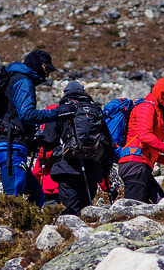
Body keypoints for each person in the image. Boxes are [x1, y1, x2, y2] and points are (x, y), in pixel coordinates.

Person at [0, 50, 73, 207]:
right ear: (37, 64)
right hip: (10, 144)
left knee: (36, 195)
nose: (47, 75)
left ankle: (27, 228)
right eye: (46, 69)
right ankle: (9, 228)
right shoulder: (23, 81)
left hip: (5, 141)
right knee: (13, 197)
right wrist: (58, 113)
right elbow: (27, 115)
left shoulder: (11, 78)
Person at [46, 81, 116, 214]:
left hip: (67, 169)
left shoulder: (62, 110)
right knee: (86, 211)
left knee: (69, 212)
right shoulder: (95, 111)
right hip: (92, 169)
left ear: (65, 93)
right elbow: (108, 146)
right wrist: (104, 174)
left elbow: (48, 140)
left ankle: (70, 233)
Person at [117, 78, 164, 203]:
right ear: (163, 95)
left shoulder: (155, 109)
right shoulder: (146, 107)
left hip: (140, 165)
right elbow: (145, 136)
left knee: (161, 203)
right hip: (135, 165)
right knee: (133, 210)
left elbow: (147, 148)